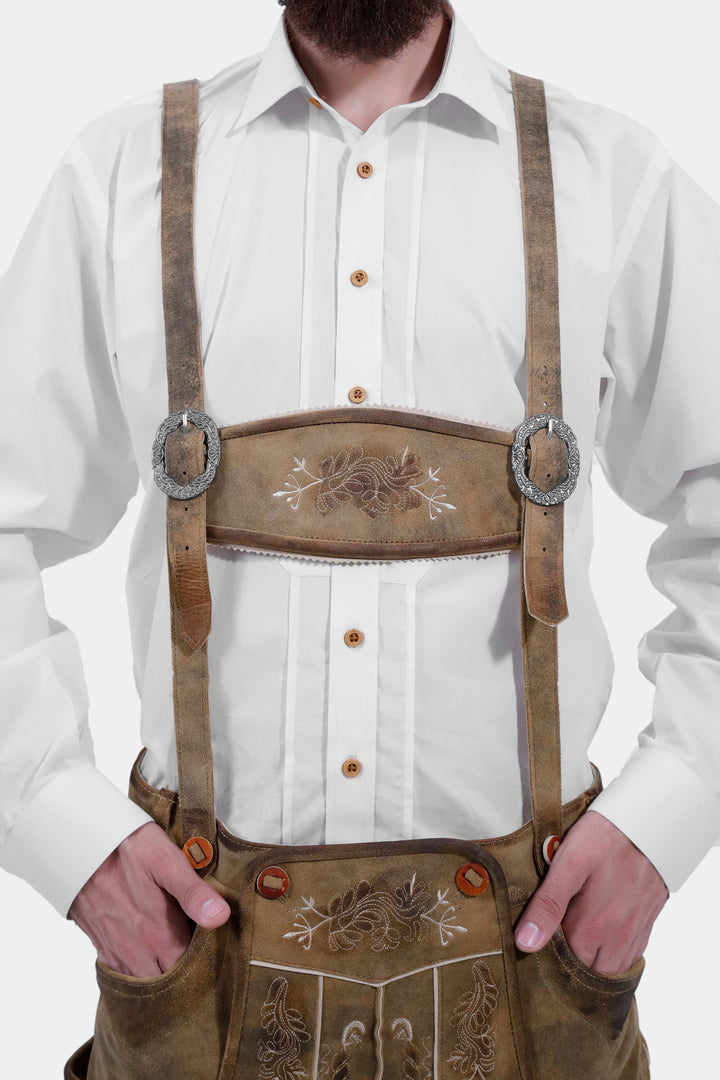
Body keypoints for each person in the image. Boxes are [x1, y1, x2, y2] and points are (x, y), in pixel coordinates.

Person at [0, 0, 718, 1075]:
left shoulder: (610, 174)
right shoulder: (123, 174)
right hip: (199, 975)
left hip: (536, 976)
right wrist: (61, 830)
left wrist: (674, 813)